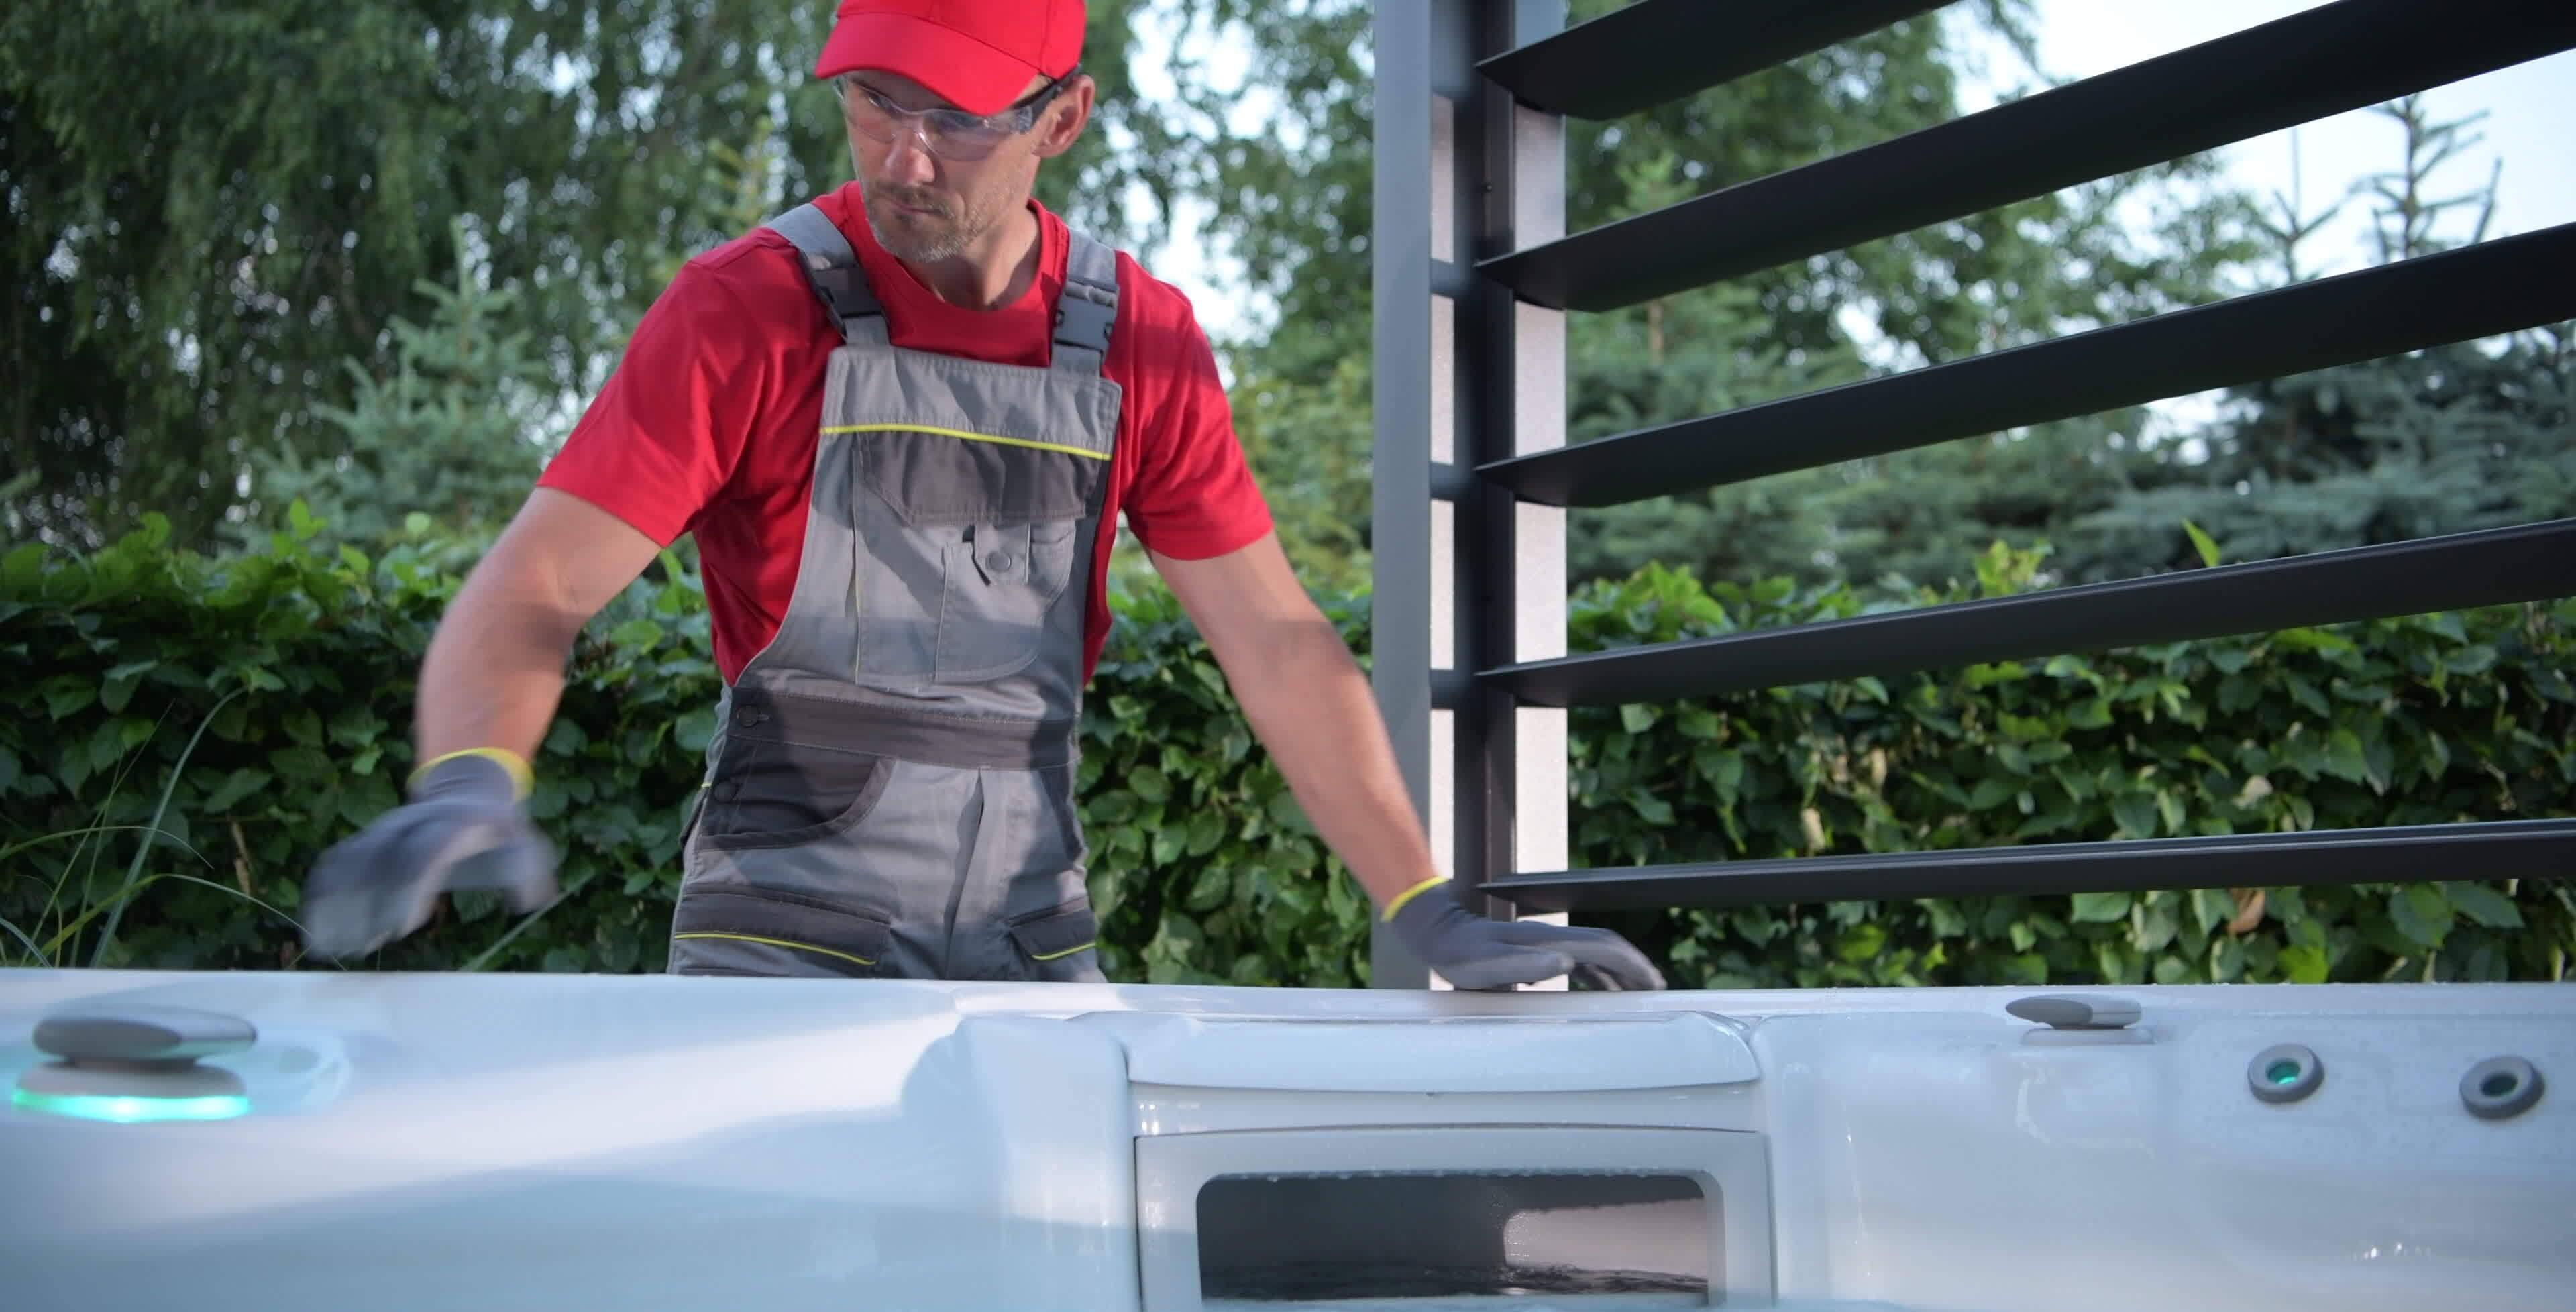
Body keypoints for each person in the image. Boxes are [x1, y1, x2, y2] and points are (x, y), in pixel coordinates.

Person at [297, 0, 1661, 993]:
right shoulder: (745, 310)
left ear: (1061, 118)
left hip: (1030, 943)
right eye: (876, 100)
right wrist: (471, 778)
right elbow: (535, 584)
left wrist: (1424, 909)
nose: (903, 158)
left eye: (954, 119)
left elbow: (1276, 641)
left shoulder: (1142, 340)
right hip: (779, 940)